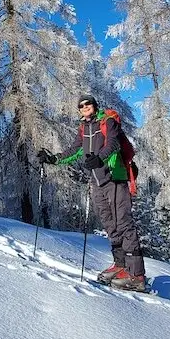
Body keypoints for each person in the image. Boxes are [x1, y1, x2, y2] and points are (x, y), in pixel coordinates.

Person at [37, 94, 148, 292]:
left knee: (124, 223)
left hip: (115, 178)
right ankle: (121, 266)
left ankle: (137, 275)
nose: (84, 107)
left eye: (88, 103)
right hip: (97, 183)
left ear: (95, 106)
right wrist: (53, 159)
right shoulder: (84, 128)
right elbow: (74, 150)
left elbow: (113, 145)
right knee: (110, 225)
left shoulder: (108, 122)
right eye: (81, 105)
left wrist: (100, 159)